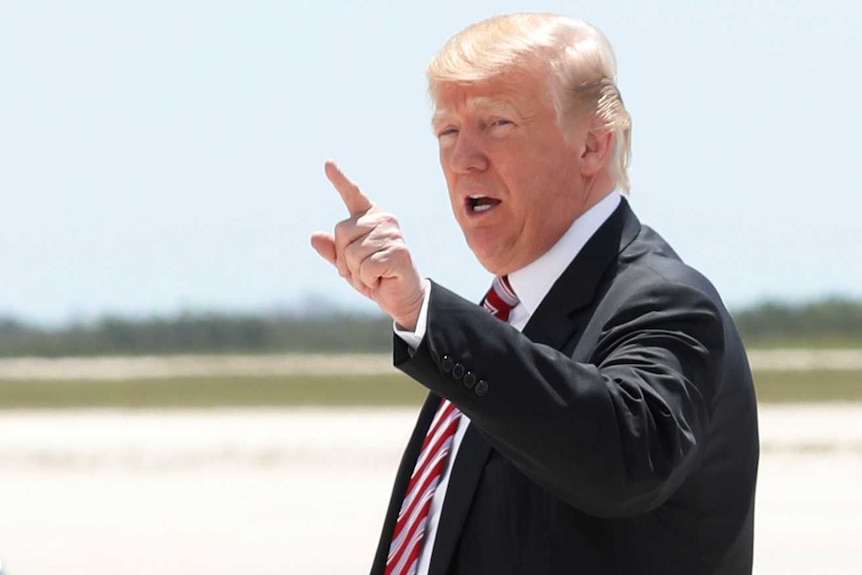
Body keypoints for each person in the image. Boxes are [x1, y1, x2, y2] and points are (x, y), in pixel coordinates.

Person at [311, 12, 758, 575]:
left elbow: (622, 458)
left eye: (496, 124)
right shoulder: (501, 316)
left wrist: (424, 311)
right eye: (447, 132)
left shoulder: (667, 301)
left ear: (593, 147)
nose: (462, 158)